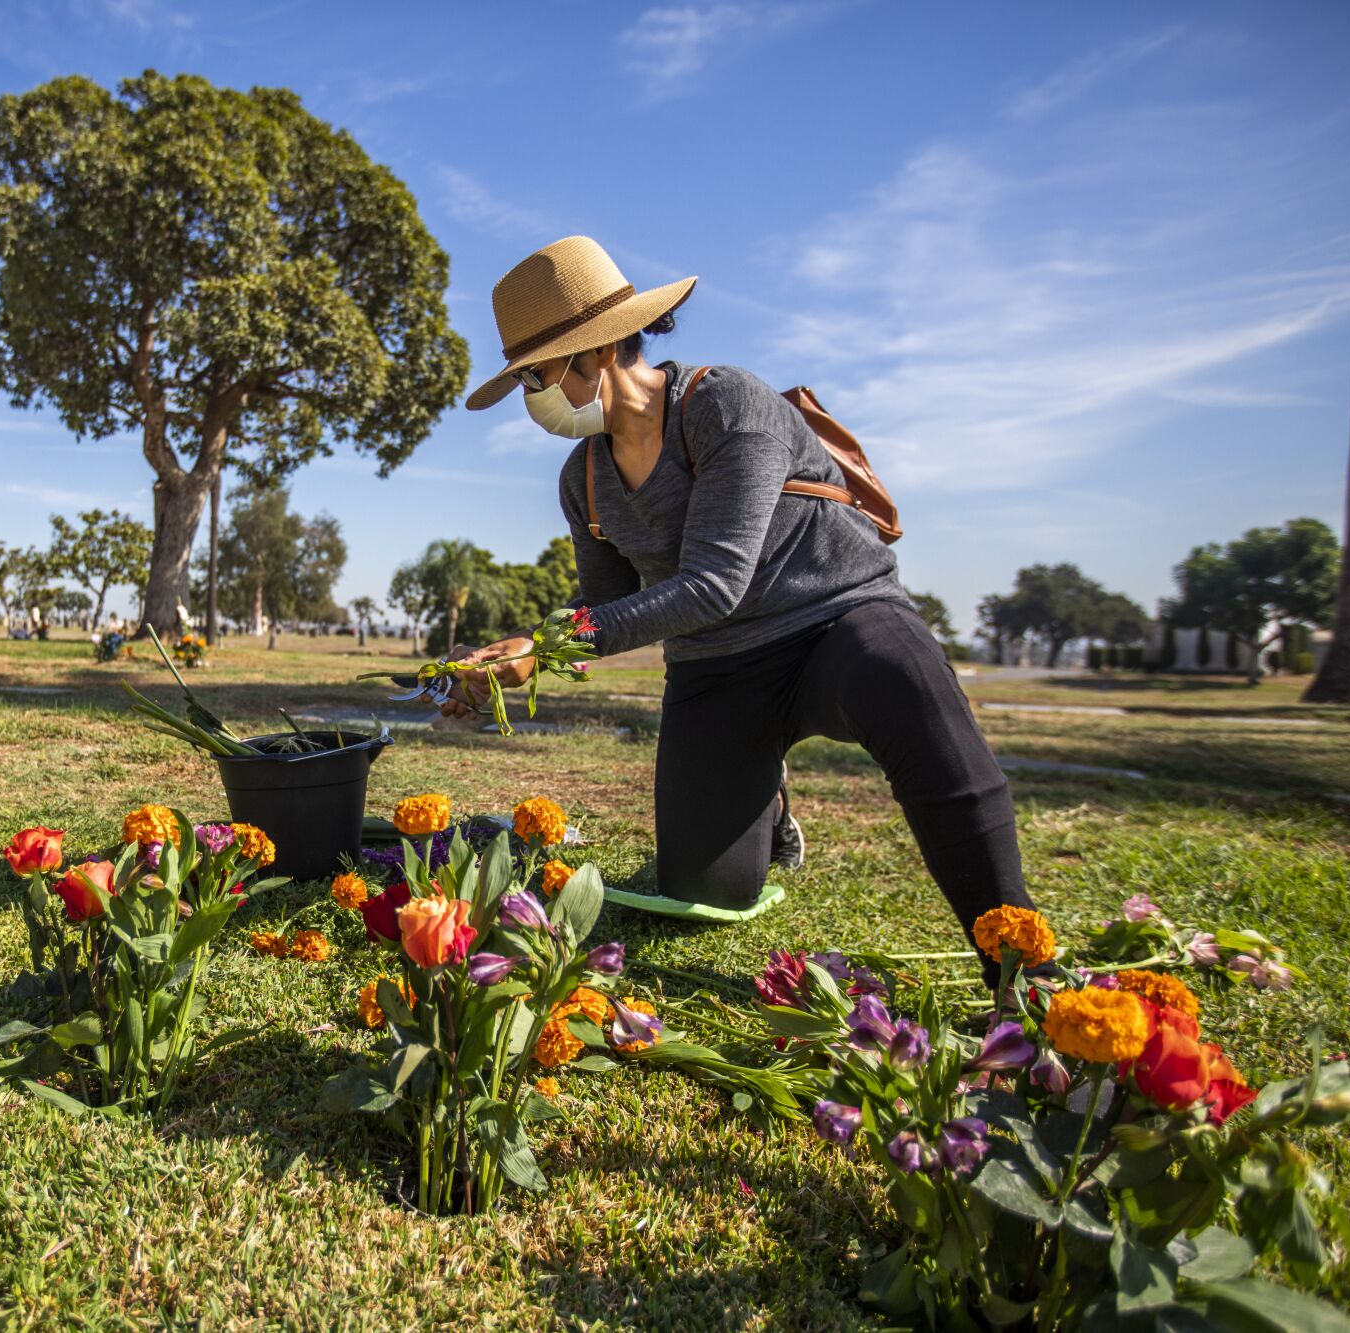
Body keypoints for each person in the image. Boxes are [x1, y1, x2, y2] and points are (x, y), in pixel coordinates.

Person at [441, 235, 1038, 966]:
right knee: (704, 889)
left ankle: (1021, 970)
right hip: (719, 667)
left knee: (909, 695)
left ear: (595, 352)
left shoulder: (724, 405)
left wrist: (550, 645)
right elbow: (604, 608)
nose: (534, 398)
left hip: (838, 619)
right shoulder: (583, 477)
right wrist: (507, 662)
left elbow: (714, 581)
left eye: (537, 375)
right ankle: (769, 799)